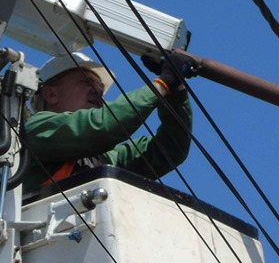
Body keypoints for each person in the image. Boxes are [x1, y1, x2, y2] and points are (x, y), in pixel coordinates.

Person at [22, 50, 197, 193]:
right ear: (52, 94)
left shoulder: (104, 158)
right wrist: (163, 83)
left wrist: (176, 87)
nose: (97, 92)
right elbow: (105, 124)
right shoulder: (37, 130)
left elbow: (170, 150)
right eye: (86, 82)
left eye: (100, 89)